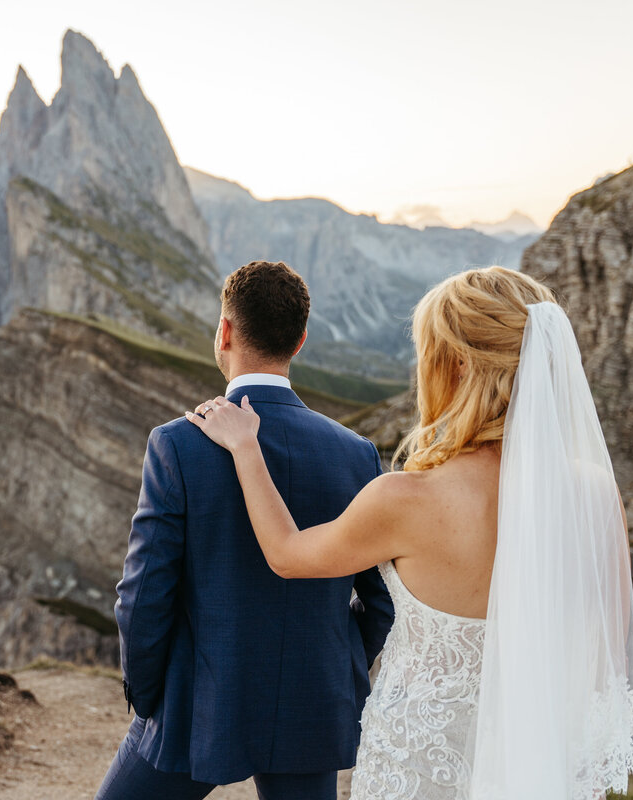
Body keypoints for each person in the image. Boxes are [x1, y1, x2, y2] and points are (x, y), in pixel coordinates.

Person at [189, 266, 633, 800]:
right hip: (537, 767)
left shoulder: (406, 499)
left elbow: (288, 555)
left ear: (454, 364)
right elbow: (601, 661)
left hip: (418, 769)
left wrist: (247, 449)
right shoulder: (594, 495)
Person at [96, 260, 395, 800]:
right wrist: (332, 659)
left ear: (225, 331)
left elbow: (142, 596)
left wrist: (149, 696)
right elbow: (381, 600)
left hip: (195, 703)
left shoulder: (177, 444)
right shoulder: (356, 455)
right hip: (310, 701)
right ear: (300, 341)